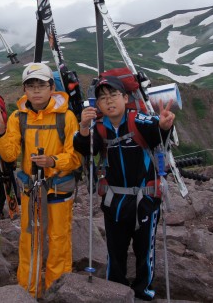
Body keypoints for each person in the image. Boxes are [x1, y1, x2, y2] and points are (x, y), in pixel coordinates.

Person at [72, 76, 174, 301]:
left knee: (144, 249)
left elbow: (158, 132)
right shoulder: (99, 128)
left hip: (145, 200)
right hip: (114, 201)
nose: (108, 102)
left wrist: (165, 126)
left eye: (113, 96)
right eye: (102, 98)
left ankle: (143, 292)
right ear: (97, 105)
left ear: (125, 98)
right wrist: (83, 128)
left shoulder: (139, 120)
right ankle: (115, 291)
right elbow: (86, 149)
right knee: (115, 251)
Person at [0, 63, 82, 297]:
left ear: (52, 87)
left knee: (59, 240)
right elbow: (9, 155)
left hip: (59, 189)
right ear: (24, 89)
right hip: (32, 189)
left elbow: (75, 157)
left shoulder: (67, 117)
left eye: (41, 85)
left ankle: (56, 292)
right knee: (30, 240)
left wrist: (53, 161)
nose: (36, 90)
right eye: (31, 86)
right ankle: (27, 292)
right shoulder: (17, 117)